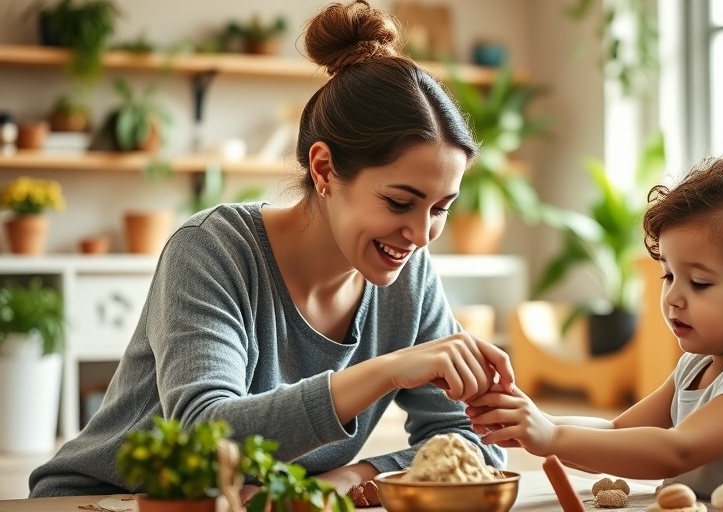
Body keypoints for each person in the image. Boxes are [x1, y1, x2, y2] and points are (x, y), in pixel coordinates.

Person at [30, 0, 514, 499]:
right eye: (399, 202)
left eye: (440, 208)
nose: (421, 233)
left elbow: (475, 440)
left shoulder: (407, 272)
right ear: (324, 169)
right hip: (106, 498)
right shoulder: (211, 251)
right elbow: (203, 436)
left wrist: (354, 476)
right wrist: (385, 371)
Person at [466, 139, 723, 498]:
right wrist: (533, 422)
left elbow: (674, 451)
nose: (673, 298)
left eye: (699, 283)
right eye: (668, 274)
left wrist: (552, 436)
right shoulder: (695, 366)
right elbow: (615, 436)